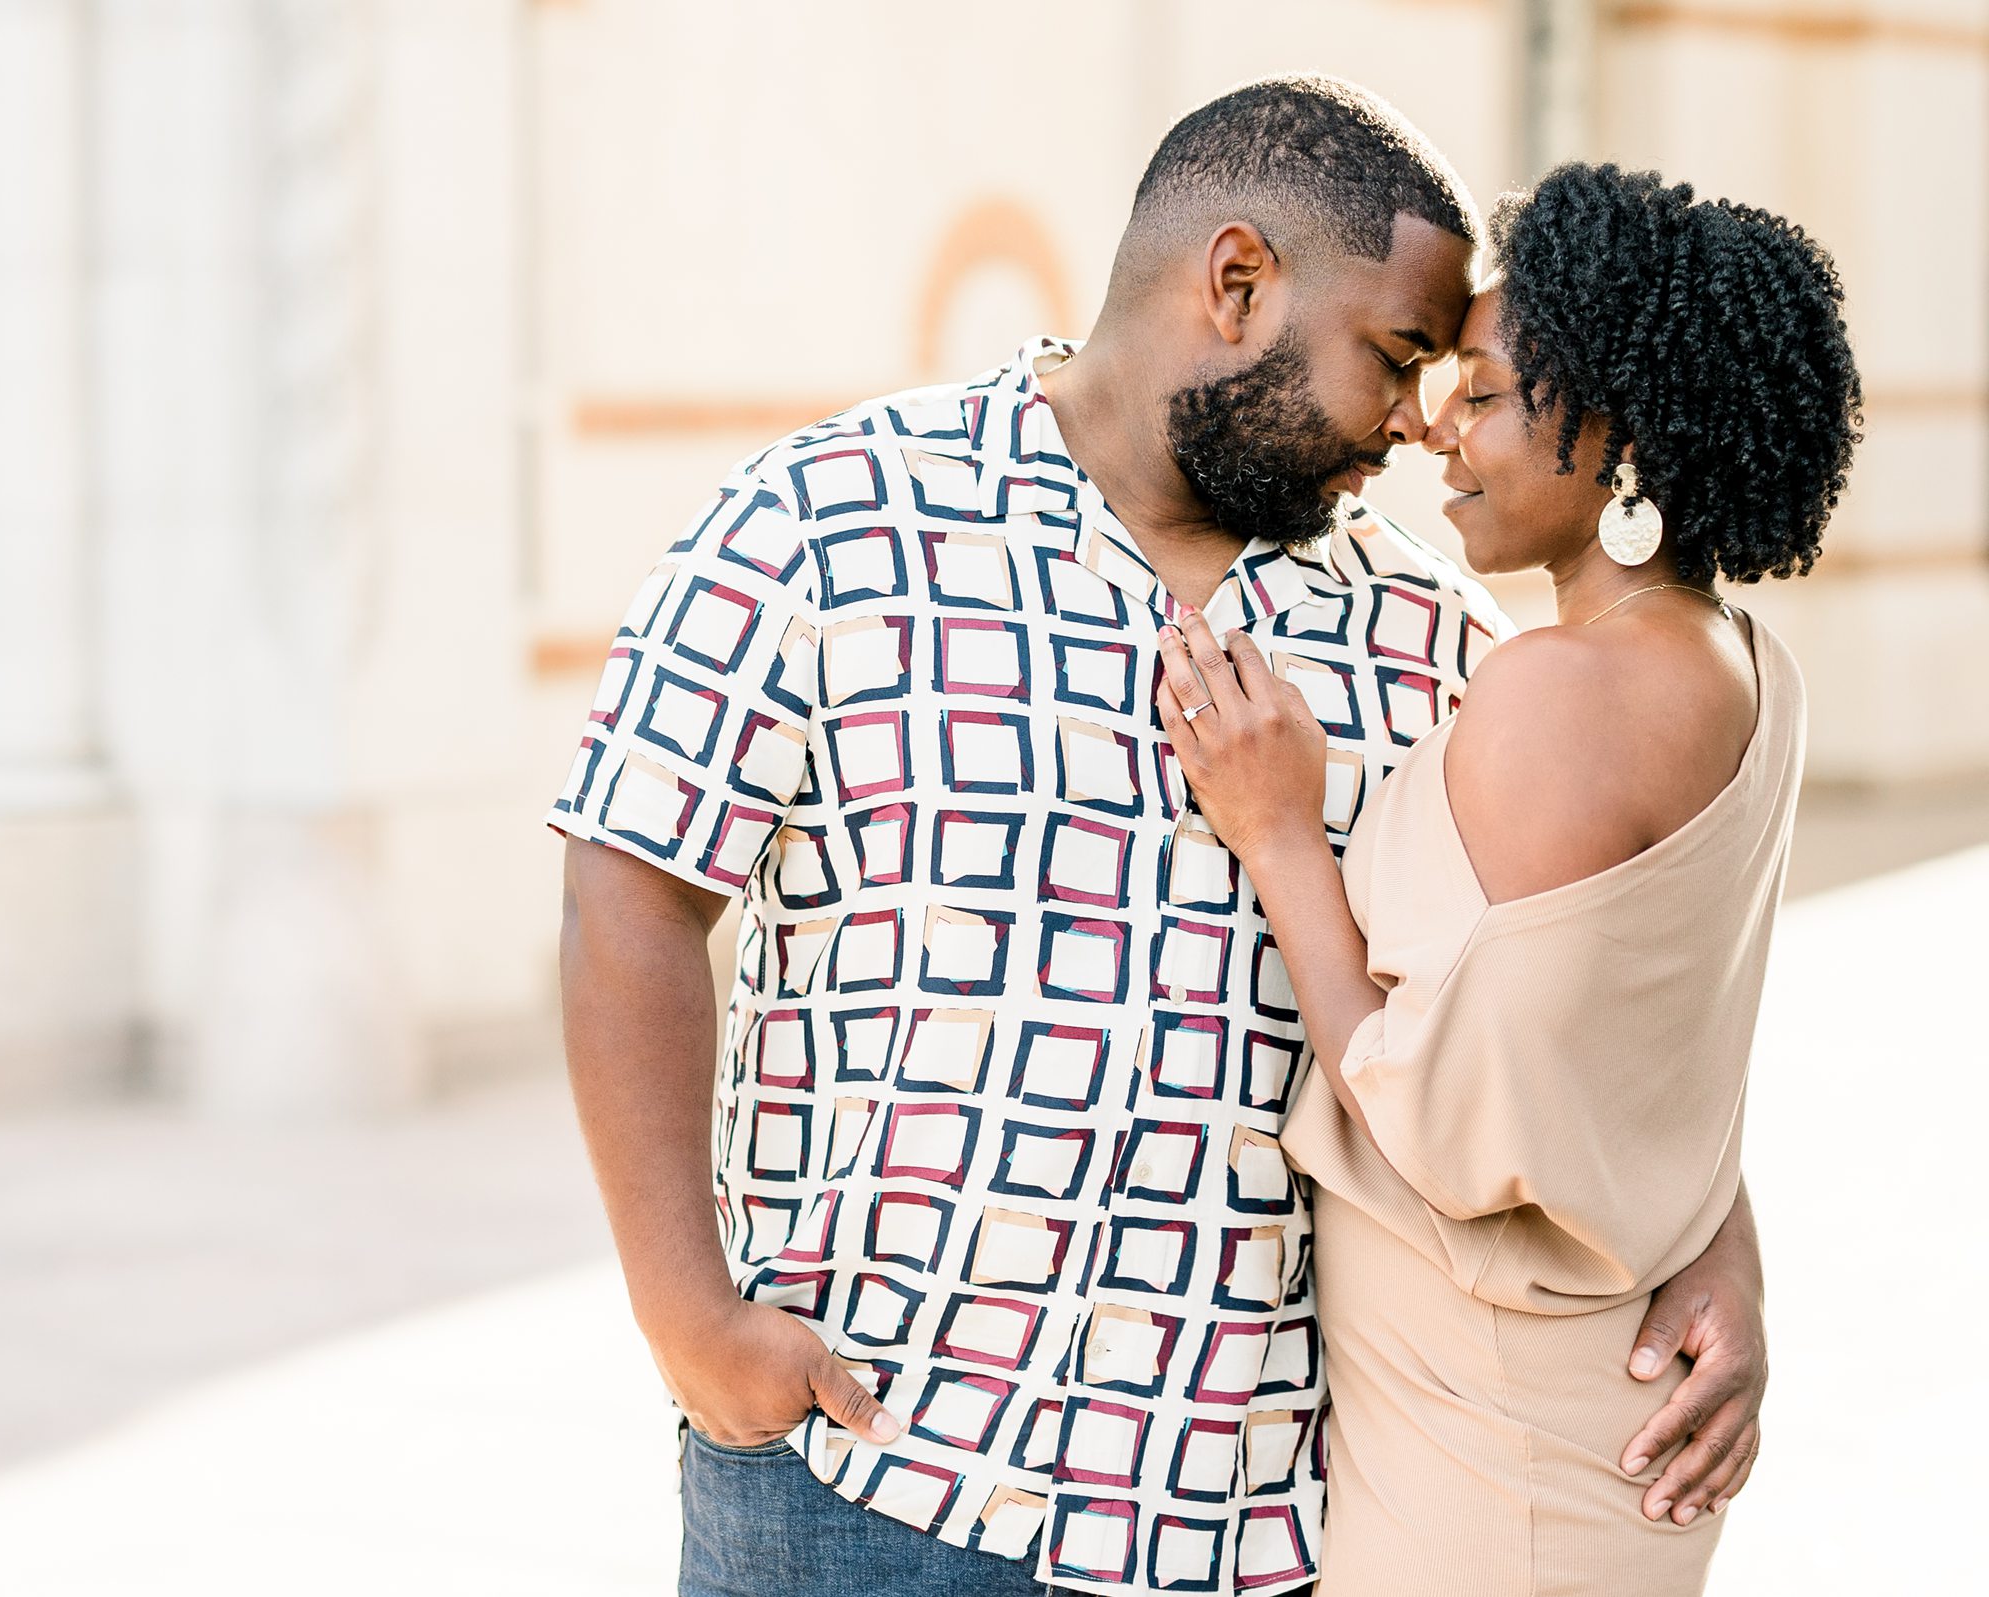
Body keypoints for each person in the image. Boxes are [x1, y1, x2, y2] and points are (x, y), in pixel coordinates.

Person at [551, 79, 1770, 1597]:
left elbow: (1575, 992)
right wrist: (690, 1322)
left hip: (1245, 1530)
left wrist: (1717, 1232)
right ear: (1238, 282)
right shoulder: (830, 519)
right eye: (1394, 359)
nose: (1418, 421)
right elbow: (629, 883)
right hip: (872, 1487)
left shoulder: (1436, 639)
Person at [1150, 161, 1861, 1594]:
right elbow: (1633, 1055)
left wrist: (1281, 831)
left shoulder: (1563, 692)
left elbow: (1444, 1116)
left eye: (1481, 391)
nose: (1433, 429)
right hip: (1563, 1412)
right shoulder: (1742, 674)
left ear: (1613, 431)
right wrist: (1738, 1247)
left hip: (1495, 1461)